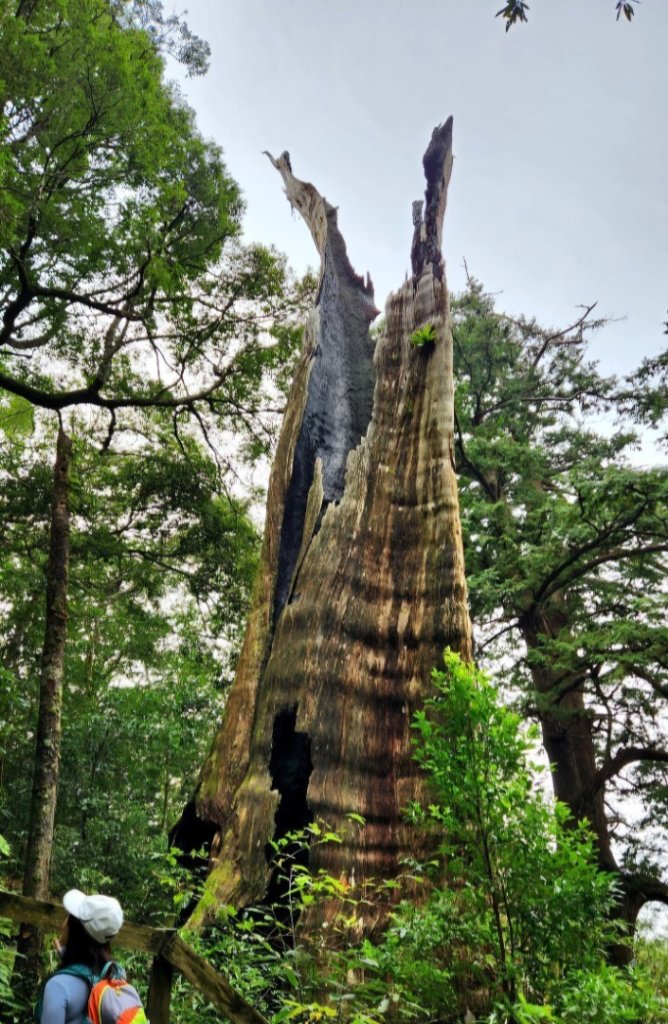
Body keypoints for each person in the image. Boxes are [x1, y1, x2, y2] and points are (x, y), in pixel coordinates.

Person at [37, 889, 124, 1024]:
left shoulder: (57, 986)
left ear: (75, 929)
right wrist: (65, 954)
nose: (63, 924)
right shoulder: (116, 974)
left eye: (68, 917)